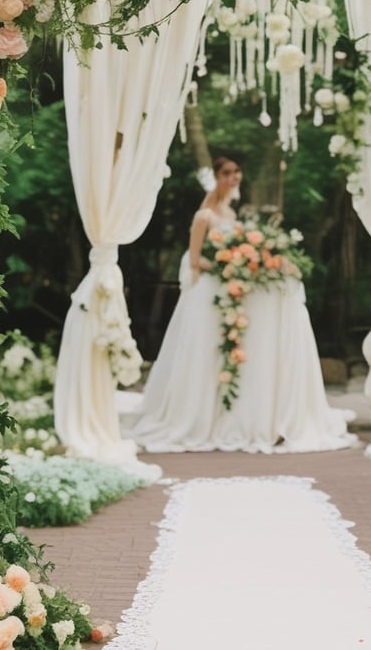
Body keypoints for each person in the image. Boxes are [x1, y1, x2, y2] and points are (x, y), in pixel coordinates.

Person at [126, 156, 356, 454]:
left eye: (236, 172)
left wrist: (249, 263)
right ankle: (201, 416)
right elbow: (195, 260)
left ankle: (248, 414)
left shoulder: (231, 212)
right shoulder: (204, 216)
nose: (233, 177)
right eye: (226, 173)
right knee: (209, 354)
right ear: (217, 177)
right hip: (211, 292)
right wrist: (229, 265)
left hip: (235, 287)